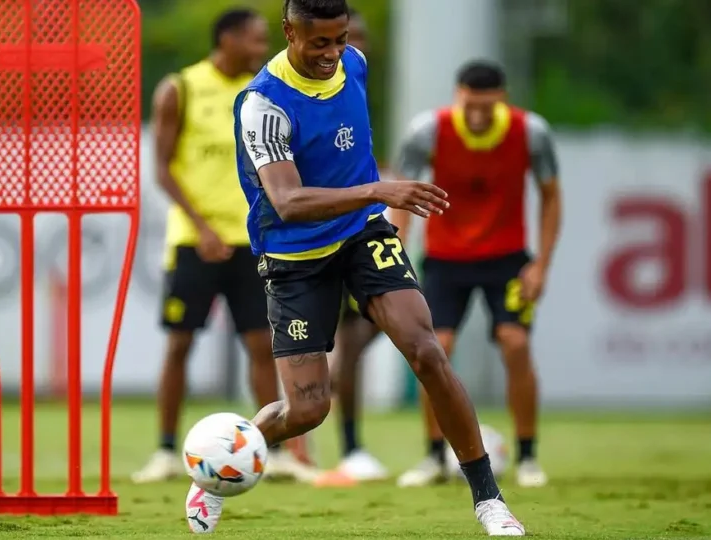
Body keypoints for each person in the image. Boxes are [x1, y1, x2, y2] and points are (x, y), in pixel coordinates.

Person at [184, 0, 525, 535]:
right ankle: (214, 468)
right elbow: (289, 201)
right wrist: (377, 188)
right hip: (294, 255)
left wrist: (373, 201)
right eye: (319, 42)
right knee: (306, 410)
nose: (333, 53)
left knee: (427, 350)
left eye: (340, 39)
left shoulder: (355, 65)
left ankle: (489, 500)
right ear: (289, 31)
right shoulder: (263, 104)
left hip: (363, 233)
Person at [133, 7, 316, 485]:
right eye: (255, 41)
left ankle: (269, 451)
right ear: (228, 39)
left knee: (261, 344)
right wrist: (203, 226)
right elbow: (163, 169)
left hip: (253, 243)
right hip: (196, 242)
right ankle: (166, 451)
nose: (262, 50)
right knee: (179, 343)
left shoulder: (266, 91)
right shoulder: (182, 88)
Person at [392, 60, 560, 489]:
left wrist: (540, 264)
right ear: (458, 95)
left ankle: (527, 456)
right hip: (445, 259)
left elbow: (551, 197)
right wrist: (396, 250)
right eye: (472, 105)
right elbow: (401, 193)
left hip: (507, 259)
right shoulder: (428, 132)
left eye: (488, 105)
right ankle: (433, 457)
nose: (480, 114)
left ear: (501, 99)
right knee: (435, 348)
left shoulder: (531, 132)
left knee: (515, 342)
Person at [312, 6, 389, 485]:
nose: (347, 49)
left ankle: (351, 445)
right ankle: (343, 445)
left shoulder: (355, 82)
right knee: (326, 345)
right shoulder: (296, 90)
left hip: (362, 231)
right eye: (342, 39)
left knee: (361, 339)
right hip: (317, 236)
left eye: (354, 39)